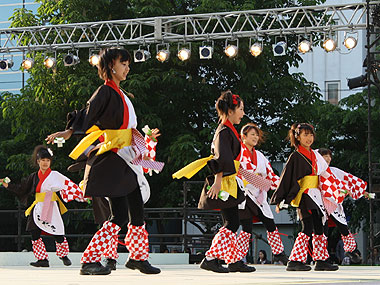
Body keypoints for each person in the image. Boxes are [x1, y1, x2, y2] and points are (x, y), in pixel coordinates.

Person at [46, 47, 163, 275]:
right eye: (124, 64)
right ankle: (96, 260)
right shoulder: (105, 91)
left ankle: (135, 257)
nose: (128, 68)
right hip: (115, 156)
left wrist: (145, 141)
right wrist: (70, 131)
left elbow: (126, 128)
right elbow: (89, 114)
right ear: (111, 66)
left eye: (128, 64)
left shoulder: (120, 94)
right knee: (126, 211)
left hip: (124, 156)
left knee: (127, 212)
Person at [174, 91, 270, 273]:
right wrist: (218, 180)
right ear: (231, 110)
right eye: (240, 109)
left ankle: (233, 260)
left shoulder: (227, 129)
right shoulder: (224, 130)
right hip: (224, 181)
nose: (243, 114)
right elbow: (222, 157)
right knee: (232, 223)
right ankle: (211, 258)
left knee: (232, 221)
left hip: (228, 179)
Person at [0, 145, 86, 267]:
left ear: (50, 162)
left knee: (58, 232)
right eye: (43, 160)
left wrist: (83, 195)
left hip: (51, 205)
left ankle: (63, 255)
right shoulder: (33, 176)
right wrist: (7, 185)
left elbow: (69, 185)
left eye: (48, 160)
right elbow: (22, 189)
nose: (45, 163)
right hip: (37, 206)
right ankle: (42, 259)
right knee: (33, 231)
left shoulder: (55, 175)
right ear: (38, 161)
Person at [270, 123, 340, 271]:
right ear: (297, 137)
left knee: (319, 226)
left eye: (310, 135)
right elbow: (286, 177)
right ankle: (295, 260)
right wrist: (281, 199)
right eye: (305, 135)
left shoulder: (315, 155)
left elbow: (325, 173)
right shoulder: (296, 155)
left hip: (316, 194)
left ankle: (320, 260)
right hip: (305, 194)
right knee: (308, 225)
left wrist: (335, 188)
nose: (309, 138)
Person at [238, 123, 288, 266]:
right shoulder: (238, 152)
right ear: (244, 136)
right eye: (252, 134)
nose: (255, 137)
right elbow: (241, 172)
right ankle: (238, 258)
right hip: (244, 194)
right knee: (246, 227)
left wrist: (281, 186)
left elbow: (270, 174)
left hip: (259, 194)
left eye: (256, 134)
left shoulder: (259, 155)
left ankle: (279, 254)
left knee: (270, 224)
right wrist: (259, 179)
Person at [319, 148, 368, 264]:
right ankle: (321, 257)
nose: (328, 159)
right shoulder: (315, 172)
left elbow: (349, 180)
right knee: (322, 230)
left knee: (343, 227)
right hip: (320, 204)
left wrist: (361, 191)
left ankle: (351, 249)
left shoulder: (334, 171)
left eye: (329, 157)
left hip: (334, 204)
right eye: (325, 157)